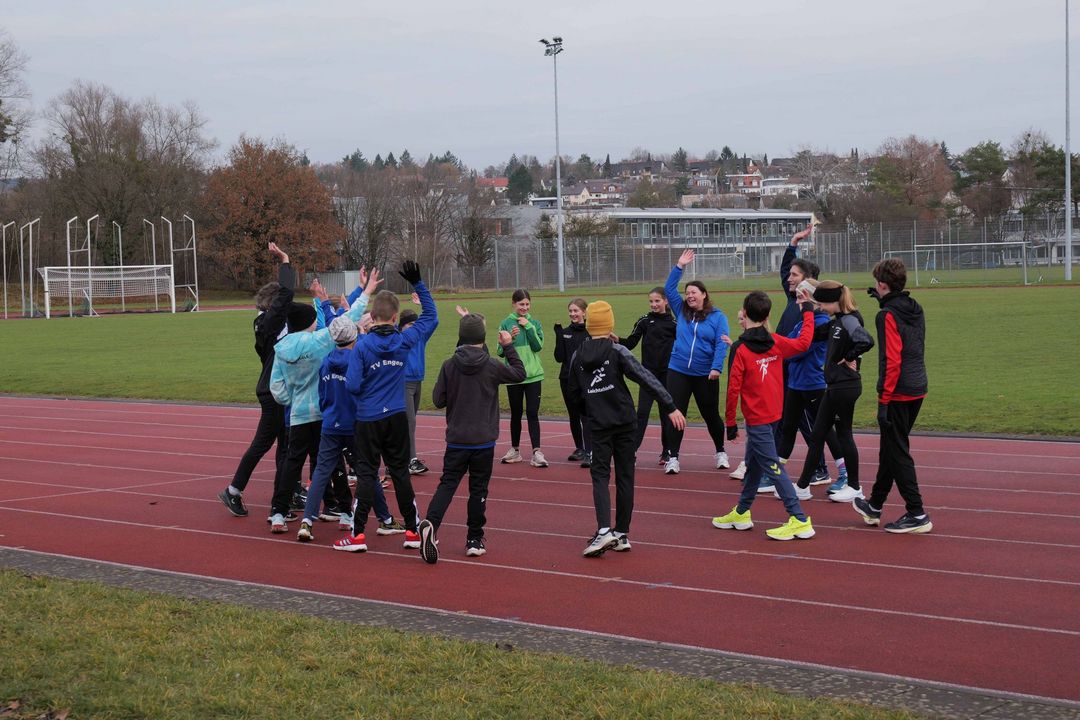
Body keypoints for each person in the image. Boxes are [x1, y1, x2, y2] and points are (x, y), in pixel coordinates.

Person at [334, 261, 437, 553]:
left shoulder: (363, 346)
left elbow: (352, 385)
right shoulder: (405, 340)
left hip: (368, 418)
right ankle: (413, 531)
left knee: (367, 474)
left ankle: (356, 536)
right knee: (400, 472)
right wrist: (418, 284)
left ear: (373, 317)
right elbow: (430, 316)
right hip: (396, 416)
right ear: (394, 317)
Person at [571, 301, 687, 557]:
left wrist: (588, 408)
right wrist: (670, 406)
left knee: (600, 476)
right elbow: (644, 376)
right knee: (625, 476)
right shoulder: (618, 351)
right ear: (610, 324)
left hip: (599, 424)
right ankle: (621, 533)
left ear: (589, 324)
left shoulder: (577, 356)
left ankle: (604, 531)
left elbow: (573, 391)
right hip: (624, 421)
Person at [267, 270, 377, 533]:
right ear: (309, 322)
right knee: (331, 460)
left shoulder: (281, 349)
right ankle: (343, 510)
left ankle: (279, 512)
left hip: (298, 413)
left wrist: (292, 399)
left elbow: (276, 388)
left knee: (292, 463)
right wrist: (366, 293)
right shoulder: (318, 342)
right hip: (324, 411)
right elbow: (346, 323)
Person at [417, 314, 527, 564]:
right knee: (478, 489)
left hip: (457, 438)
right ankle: (474, 539)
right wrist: (509, 346)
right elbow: (520, 373)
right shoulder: (491, 365)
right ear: (483, 337)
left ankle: (431, 524)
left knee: (447, 485)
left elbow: (438, 399)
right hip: (483, 440)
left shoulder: (449, 365)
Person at [713, 290, 817, 540]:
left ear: (745, 313)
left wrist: (730, 423)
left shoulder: (740, 348)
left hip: (758, 419)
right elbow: (804, 343)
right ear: (768, 314)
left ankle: (799, 518)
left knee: (772, 466)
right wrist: (809, 312)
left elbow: (733, 389)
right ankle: (742, 512)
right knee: (754, 465)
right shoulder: (776, 341)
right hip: (773, 415)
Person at [853, 259, 931, 534]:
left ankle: (916, 512)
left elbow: (891, 359)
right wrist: (885, 303)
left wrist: (883, 400)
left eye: (877, 283)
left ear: (883, 285)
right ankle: (874, 504)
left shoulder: (886, 315)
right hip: (918, 386)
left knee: (897, 451)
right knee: (891, 446)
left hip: (898, 391)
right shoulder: (914, 307)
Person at [219, 242, 293, 518]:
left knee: (284, 444)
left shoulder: (266, 323)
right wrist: (285, 262)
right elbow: (286, 295)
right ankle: (235, 490)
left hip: (274, 389)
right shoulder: (270, 323)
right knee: (268, 444)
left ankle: (285, 492)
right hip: (274, 392)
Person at [790, 281, 874, 502]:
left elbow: (866, 340)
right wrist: (806, 309)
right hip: (835, 387)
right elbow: (810, 337)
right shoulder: (836, 322)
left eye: (821, 304)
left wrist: (849, 357)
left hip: (845, 387)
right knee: (818, 434)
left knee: (843, 434)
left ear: (833, 301)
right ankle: (802, 486)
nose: (820, 308)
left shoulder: (849, 319)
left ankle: (855, 487)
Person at [775, 277, 851, 500]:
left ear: (814, 300)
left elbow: (796, 350)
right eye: (797, 296)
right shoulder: (802, 322)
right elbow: (786, 344)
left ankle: (844, 472)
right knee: (788, 427)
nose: (797, 301)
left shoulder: (819, 323)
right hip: (796, 383)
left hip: (814, 384)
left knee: (825, 430)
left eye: (801, 297)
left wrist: (785, 350)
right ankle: (776, 475)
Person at [662, 249, 731, 475]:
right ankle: (673, 457)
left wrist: (716, 367)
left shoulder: (718, 317)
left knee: (710, 414)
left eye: (694, 292)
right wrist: (679, 266)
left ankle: (720, 451)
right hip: (678, 370)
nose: (689, 296)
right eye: (687, 293)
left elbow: (721, 344)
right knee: (675, 413)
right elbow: (669, 289)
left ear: (704, 294)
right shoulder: (681, 310)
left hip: (705, 374)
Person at [613, 287, 677, 464]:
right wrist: (617, 339)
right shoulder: (644, 321)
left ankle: (667, 451)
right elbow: (631, 343)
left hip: (666, 376)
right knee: (641, 414)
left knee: (666, 415)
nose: (654, 304)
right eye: (651, 301)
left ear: (666, 301)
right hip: (647, 375)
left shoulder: (674, 324)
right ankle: (631, 451)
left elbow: (683, 347)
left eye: (657, 301)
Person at [497, 289, 547, 468]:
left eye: (527, 304)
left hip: (533, 376)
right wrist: (510, 339)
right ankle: (515, 450)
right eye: (521, 304)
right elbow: (499, 351)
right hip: (513, 376)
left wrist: (529, 327)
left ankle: (537, 452)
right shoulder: (505, 323)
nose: (524, 307)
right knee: (516, 414)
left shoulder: (534, 323)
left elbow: (538, 346)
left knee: (532, 413)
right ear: (513, 304)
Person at [399, 295, 439, 475]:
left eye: (415, 325)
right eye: (409, 325)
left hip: (417, 382)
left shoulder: (420, 337)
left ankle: (403, 458)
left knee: (409, 421)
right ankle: (411, 460)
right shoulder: (399, 338)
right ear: (401, 327)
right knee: (410, 421)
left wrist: (424, 305)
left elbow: (434, 320)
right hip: (404, 383)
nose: (413, 329)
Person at [553, 298, 592, 467]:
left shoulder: (590, 332)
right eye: (570, 311)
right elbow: (559, 357)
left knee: (586, 416)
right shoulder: (565, 332)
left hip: (586, 379)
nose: (573, 314)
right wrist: (558, 335)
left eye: (576, 311)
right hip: (567, 379)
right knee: (574, 415)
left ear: (584, 312)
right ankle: (579, 448)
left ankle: (590, 451)